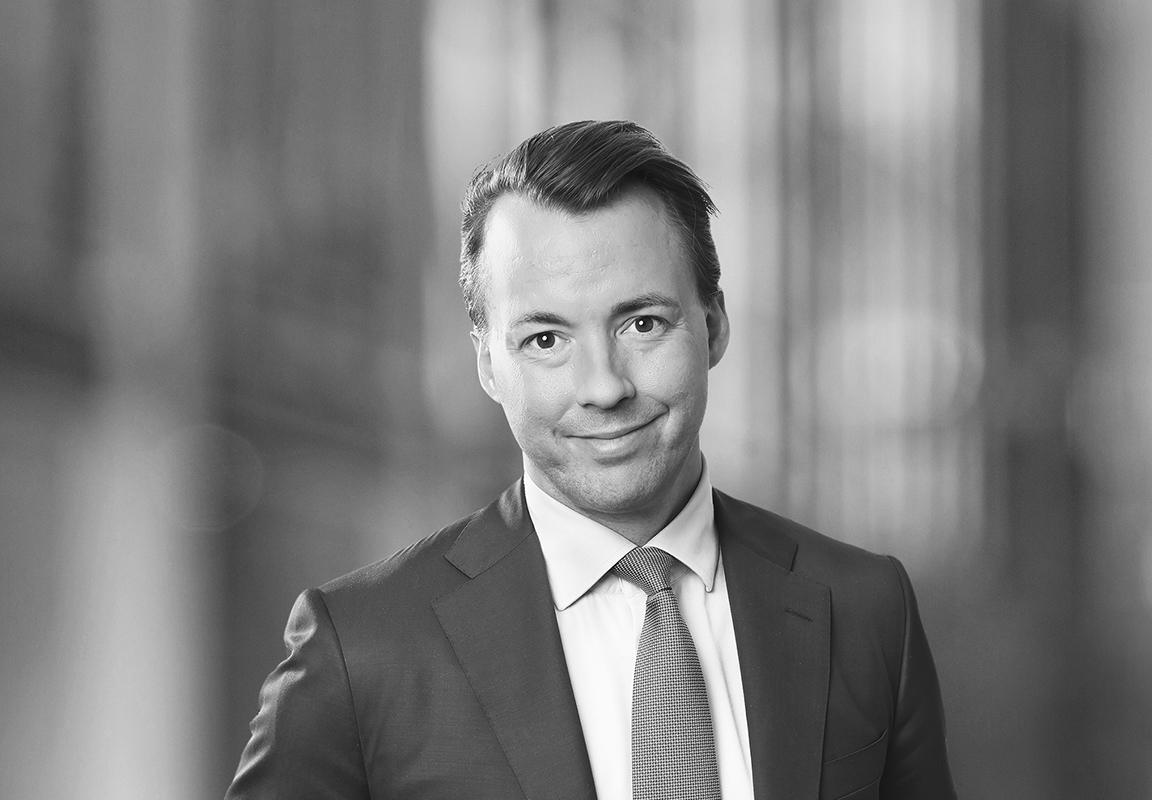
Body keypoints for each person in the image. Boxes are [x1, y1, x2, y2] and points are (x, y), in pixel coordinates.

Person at [226, 120, 957, 800]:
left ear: (713, 325)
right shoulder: (362, 648)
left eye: (643, 323)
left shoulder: (866, 612)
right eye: (546, 340)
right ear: (488, 364)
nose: (604, 387)